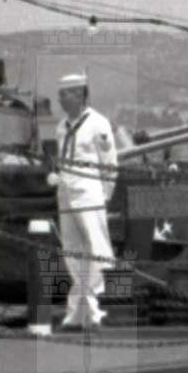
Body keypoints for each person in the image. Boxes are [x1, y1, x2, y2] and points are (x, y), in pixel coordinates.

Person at [47, 71, 119, 332]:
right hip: (66, 192)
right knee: (72, 251)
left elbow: (109, 163)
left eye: (65, 94)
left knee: (96, 248)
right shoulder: (61, 127)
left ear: (79, 95)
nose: (60, 99)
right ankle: (78, 311)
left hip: (89, 192)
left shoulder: (98, 124)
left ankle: (94, 309)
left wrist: (105, 195)